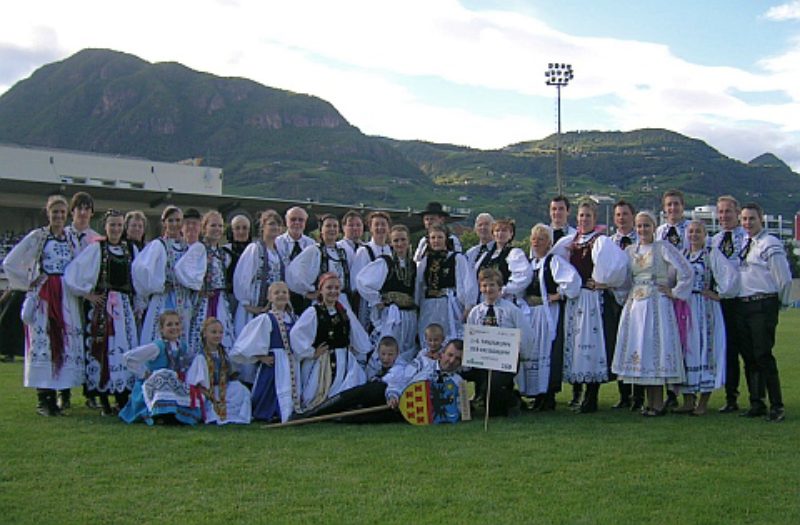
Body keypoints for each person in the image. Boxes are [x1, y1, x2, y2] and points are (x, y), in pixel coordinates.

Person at [2, 195, 83, 416]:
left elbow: (80, 265)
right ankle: (43, 400)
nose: (58, 216)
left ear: (67, 215)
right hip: (45, 296)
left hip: (65, 295)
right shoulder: (37, 237)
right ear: (48, 214)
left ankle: (58, 396)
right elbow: (10, 262)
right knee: (44, 343)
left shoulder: (71, 238)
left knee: (64, 342)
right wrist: (30, 282)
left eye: (62, 212)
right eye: (54, 212)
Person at [612, 211, 693, 417]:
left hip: (657, 304)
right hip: (636, 305)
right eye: (639, 226)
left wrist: (674, 292)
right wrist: (622, 297)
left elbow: (686, 270)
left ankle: (657, 404)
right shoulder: (630, 250)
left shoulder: (663, 248)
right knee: (642, 350)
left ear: (654, 227)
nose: (642, 230)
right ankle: (650, 403)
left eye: (646, 226)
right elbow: (623, 279)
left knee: (654, 349)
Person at [552, 199, 627, 413]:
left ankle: (592, 395)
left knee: (592, 346)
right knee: (575, 346)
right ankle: (578, 393)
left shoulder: (600, 241)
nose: (584, 219)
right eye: (581, 216)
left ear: (595, 219)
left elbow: (618, 269)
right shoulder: (570, 241)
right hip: (576, 300)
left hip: (592, 300)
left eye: (588, 216)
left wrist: (603, 283)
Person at [64, 209, 138, 416]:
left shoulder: (128, 249)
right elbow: (73, 273)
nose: (116, 229)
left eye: (119, 225)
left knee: (124, 348)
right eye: (112, 225)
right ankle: (104, 397)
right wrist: (87, 295)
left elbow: (136, 279)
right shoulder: (97, 248)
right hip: (104, 306)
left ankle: (122, 396)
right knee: (103, 349)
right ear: (105, 226)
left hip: (123, 306)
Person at [676, 220, 740, 415]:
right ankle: (688, 400)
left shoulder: (711, 254)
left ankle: (703, 402)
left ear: (705, 234)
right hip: (685, 307)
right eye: (691, 231)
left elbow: (729, 276)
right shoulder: (683, 255)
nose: (694, 235)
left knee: (705, 350)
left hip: (704, 308)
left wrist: (719, 293)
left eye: (698, 231)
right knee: (686, 351)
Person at [735, 203, 792, 422]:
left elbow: (784, 278)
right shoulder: (745, 243)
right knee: (749, 357)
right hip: (744, 304)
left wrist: (782, 304)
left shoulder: (769, 243)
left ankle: (776, 405)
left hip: (762, 304)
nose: (747, 223)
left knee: (763, 355)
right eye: (744, 219)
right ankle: (756, 402)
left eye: (752, 219)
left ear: (761, 219)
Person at [516, 224, 580, 411]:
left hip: (546, 313)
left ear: (549, 243)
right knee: (532, 351)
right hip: (531, 313)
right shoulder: (529, 264)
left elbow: (573, 281)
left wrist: (557, 295)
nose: (536, 242)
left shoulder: (553, 261)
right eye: (534, 239)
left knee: (545, 351)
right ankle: (536, 395)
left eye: (541, 239)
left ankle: (547, 396)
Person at [290, 273, 370, 412]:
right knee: (315, 394)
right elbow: (297, 334)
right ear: (321, 290)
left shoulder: (343, 311)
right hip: (323, 361)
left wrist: (354, 348)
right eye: (329, 288)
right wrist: (311, 352)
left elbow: (356, 333)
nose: (333, 291)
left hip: (344, 360)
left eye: (337, 288)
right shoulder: (313, 312)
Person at [464, 268, 532, 417]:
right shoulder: (475, 313)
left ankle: (512, 400)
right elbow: (471, 337)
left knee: (493, 390)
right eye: (484, 286)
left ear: (500, 287)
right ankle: (503, 397)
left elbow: (525, 333)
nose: (488, 289)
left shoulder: (511, 310)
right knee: (492, 406)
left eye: (492, 285)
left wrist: (522, 354)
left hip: (506, 360)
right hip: (482, 361)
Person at [230, 282, 302, 423]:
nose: (281, 295)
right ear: (269, 297)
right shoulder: (266, 319)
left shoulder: (295, 319)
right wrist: (260, 357)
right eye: (277, 293)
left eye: (284, 292)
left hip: (291, 360)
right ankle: (268, 411)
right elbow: (250, 340)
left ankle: (288, 410)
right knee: (271, 387)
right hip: (275, 361)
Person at [119, 310, 201, 425]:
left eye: (177, 324)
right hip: (153, 387)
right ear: (161, 329)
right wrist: (144, 374)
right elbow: (128, 358)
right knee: (164, 374)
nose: (174, 328)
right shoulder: (157, 346)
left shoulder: (182, 346)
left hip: (173, 385)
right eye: (169, 324)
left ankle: (177, 414)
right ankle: (160, 413)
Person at [175, 211, 235, 359]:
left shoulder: (222, 253)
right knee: (202, 332)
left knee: (221, 331)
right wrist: (198, 286)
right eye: (213, 225)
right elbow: (181, 268)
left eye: (220, 226)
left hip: (220, 300)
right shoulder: (199, 248)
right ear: (204, 228)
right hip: (204, 301)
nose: (217, 229)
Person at [132, 206, 191, 346]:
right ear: (164, 223)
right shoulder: (158, 245)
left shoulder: (187, 247)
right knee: (161, 334)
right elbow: (140, 269)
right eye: (171, 220)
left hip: (183, 298)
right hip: (164, 299)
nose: (175, 224)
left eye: (178, 220)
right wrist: (158, 285)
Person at [356, 224, 418, 356]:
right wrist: (377, 300)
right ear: (391, 242)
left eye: (403, 240)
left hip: (409, 315)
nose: (400, 244)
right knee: (388, 349)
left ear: (408, 241)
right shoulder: (385, 262)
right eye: (396, 240)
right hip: (392, 315)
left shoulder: (412, 265)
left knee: (406, 350)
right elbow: (361, 281)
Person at [710, 195, 748, 413]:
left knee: (750, 351)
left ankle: (757, 398)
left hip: (743, 302)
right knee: (728, 351)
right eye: (721, 212)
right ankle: (731, 397)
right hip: (722, 304)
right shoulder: (714, 241)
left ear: (737, 213)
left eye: (728, 211)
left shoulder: (745, 239)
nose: (724, 216)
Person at [64, 191, 100, 409]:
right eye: (80, 208)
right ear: (73, 211)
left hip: (88, 298)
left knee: (89, 344)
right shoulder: (63, 235)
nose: (84, 212)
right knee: (65, 343)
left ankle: (91, 392)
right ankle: (63, 391)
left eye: (88, 208)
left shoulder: (95, 239)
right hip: (65, 296)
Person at [608, 200, 644, 410]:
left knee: (637, 346)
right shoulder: (609, 242)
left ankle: (638, 396)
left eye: (625, 214)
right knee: (619, 346)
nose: (622, 218)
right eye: (618, 215)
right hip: (615, 300)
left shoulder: (642, 241)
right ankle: (623, 395)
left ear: (633, 216)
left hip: (638, 300)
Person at [416, 224, 476, 342]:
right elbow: (419, 284)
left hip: (448, 304)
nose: (436, 241)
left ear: (446, 239)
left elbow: (467, 281)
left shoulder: (457, 258)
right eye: (433, 238)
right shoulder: (425, 260)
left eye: (439, 237)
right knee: (428, 335)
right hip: (428, 305)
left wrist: (468, 306)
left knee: (447, 335)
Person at [187, 317, 252, 425]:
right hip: (207, 391)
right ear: (205, 334)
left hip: (221, 388)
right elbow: (197, 384)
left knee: (242, 390)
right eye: (213, 332)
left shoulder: (223, 354)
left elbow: (230, 375)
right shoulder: (201, 357)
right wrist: (212, 396)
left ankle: (239, 416)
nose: (218, 335)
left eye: (220, 332)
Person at [287, 214, 352, 308]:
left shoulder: (343, 251)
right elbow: (293, 273)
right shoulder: (314, 250)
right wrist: (306, 292)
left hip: (341, 302)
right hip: (321, 303)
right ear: (321, 230)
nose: (332, 229)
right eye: (328, 226)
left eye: (335, 226)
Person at [474, 218, 532, 303]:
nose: (500, 233)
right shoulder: (485, 255)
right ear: (493, 234)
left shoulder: (515, 253)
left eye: (504, 231)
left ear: (511, 234)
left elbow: (523, 276)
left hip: (505, 301)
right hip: (484, 300)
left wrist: (504, 290)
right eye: (497, 230)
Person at [351, 211, 393, 327]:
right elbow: (356, 281)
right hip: (368, 302)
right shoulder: (364, 251)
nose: (380, 228)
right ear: (370, 228)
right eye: (376, 224)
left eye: (383, 224)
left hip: (388, 302)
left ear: (388, 227)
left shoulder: (392, 251)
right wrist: (375, 300)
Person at [276, 206, 314, 313]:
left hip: (305, 297)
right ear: (286, 221)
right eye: (293, 219)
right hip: (282, 295)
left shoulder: (311, 244)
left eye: (301, 220)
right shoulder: (277, 243)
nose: (297, 222)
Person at [222, 213, 252, 316]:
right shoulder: (224, 251)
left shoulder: (255, 250)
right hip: (230, 297)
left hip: (250, 299)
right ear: (231, 231)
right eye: (237, 228)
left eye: (245, 228)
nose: (241, 231)